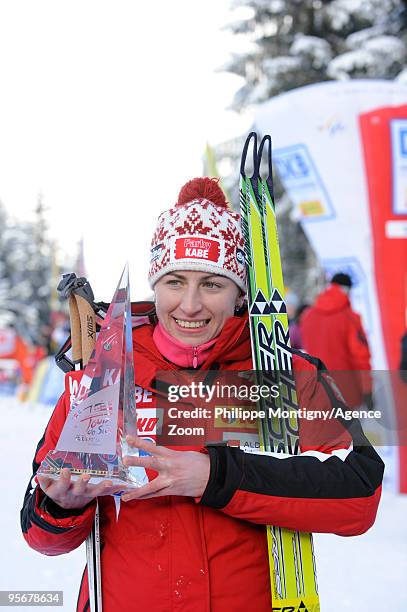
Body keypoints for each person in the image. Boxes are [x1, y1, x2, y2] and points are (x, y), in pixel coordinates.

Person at [21, 179, 384, 612]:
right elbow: (41, 534)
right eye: (174, 281)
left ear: (238, 294)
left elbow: (358, 494)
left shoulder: (286, 375)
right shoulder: (103, 374)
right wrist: (61, 504)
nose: (190, 305)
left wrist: (217, 476)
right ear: (155, 286)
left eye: (212, 284)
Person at [300, 272, 372, 408]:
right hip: (347, 392)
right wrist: (367, 389)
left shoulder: (308, 316)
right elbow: (361, 357)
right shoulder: (350, 318)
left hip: (319, 391)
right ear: (347, 290)